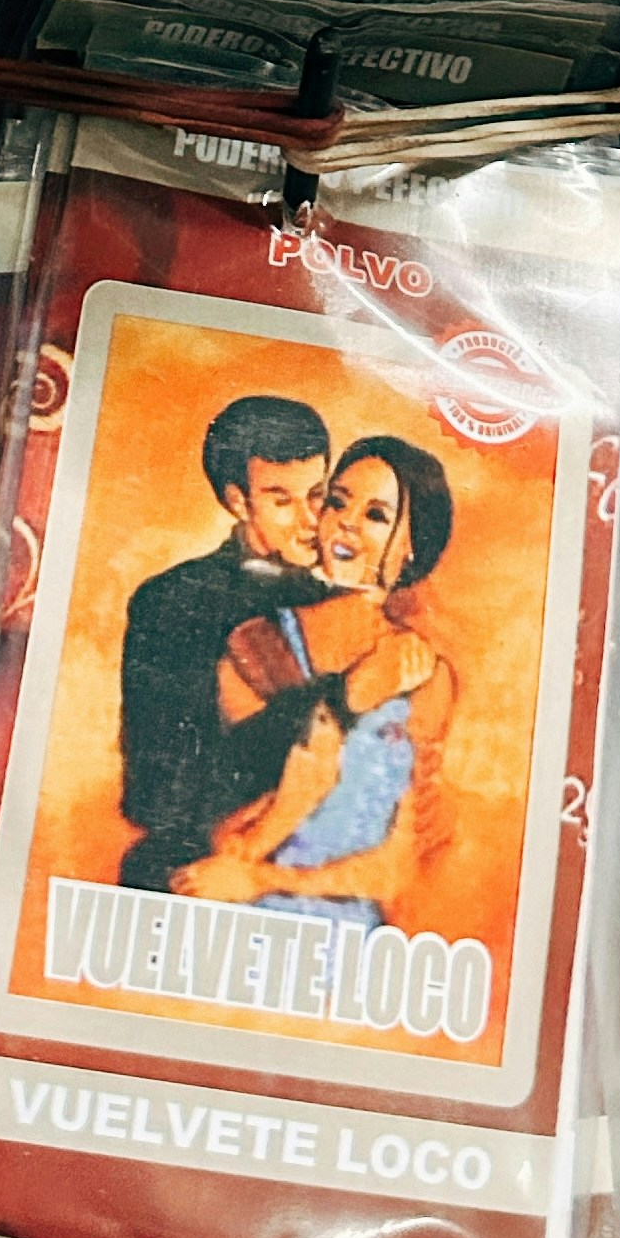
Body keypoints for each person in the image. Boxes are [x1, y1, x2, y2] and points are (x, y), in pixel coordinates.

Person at [172, 436, 457, 932]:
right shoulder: (256, 643)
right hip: (237, 924)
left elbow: (398, 866)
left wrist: (263, 879)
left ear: (412, 544)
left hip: (346, 945)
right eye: (338, 502)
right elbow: (225, 830)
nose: (346, 522)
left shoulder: (425, 674)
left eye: (376, 515)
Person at [117, 395, 332, 891]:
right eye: (282, 499)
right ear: (238, 500)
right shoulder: (170, 601)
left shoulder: (334, 601)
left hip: (306, 874)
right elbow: (157, 792)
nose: (307, 520)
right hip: (193, 876)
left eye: (317, 495)